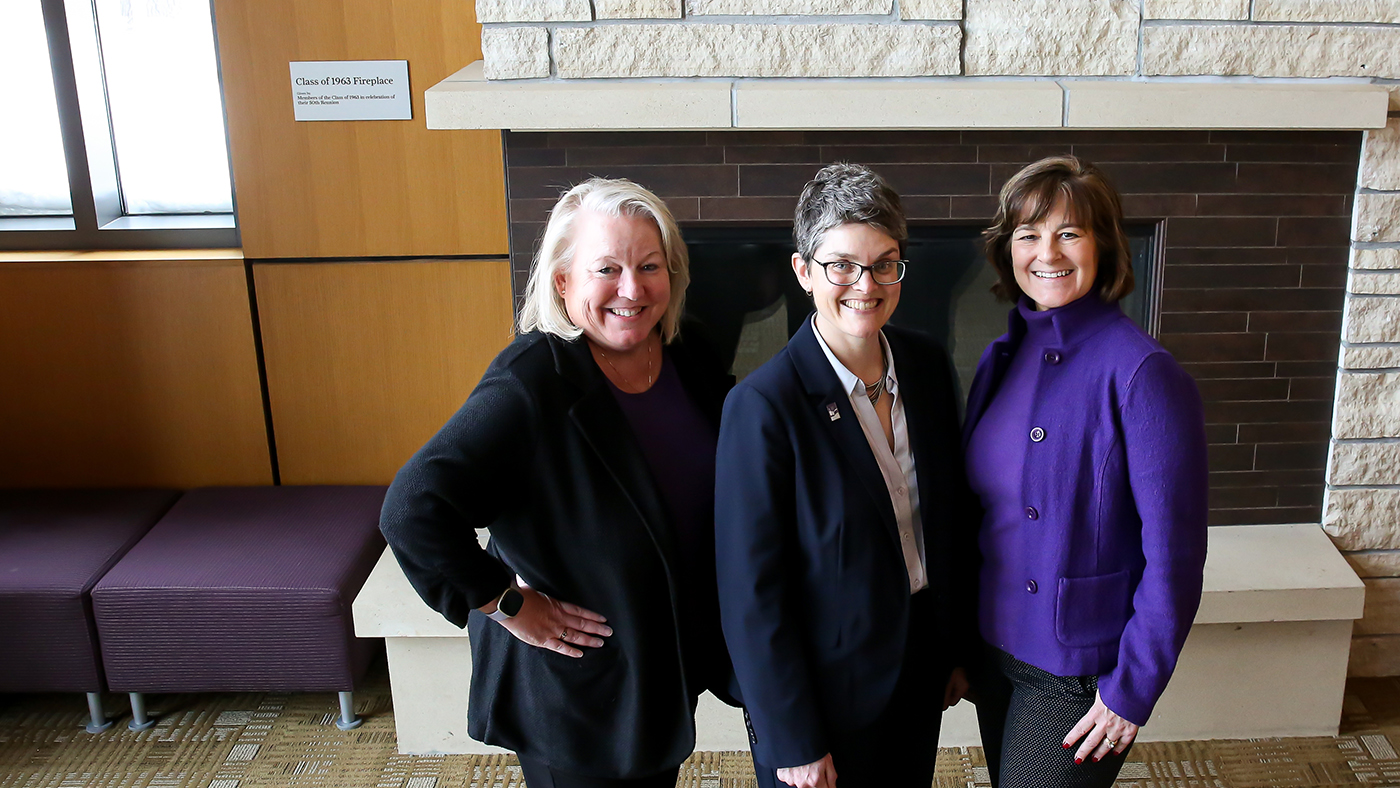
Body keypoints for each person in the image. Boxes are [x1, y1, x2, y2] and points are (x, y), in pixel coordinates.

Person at [379, 177, 734, 788]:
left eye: (650, 266)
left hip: (660, 664)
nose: (632, 288)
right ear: (564, 282)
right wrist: (506, 604)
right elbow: (412, 508)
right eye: (607, 268)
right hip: (576, 690)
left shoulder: (688, 355)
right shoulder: (530, 381)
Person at [715, 162, 978, 788]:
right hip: (822, 691)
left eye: (884, 263)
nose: (866, 283)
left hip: (916, 662)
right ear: (804, 272)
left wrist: (955, 646)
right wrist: (792, 736)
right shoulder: (762, 406)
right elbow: (751, 593)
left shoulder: (926, 363)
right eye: (842, 265)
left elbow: (947, 518)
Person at [964, 156, 1208, 788]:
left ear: (1103, 244)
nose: (1047, 251)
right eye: (1027, 234)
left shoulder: (1142, 372)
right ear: (1007, 250)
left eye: (1068, 232)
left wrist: (1132, 688)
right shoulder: (1001, 357)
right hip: (993, 650)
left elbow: (1176, 555)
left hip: (1078, 672)